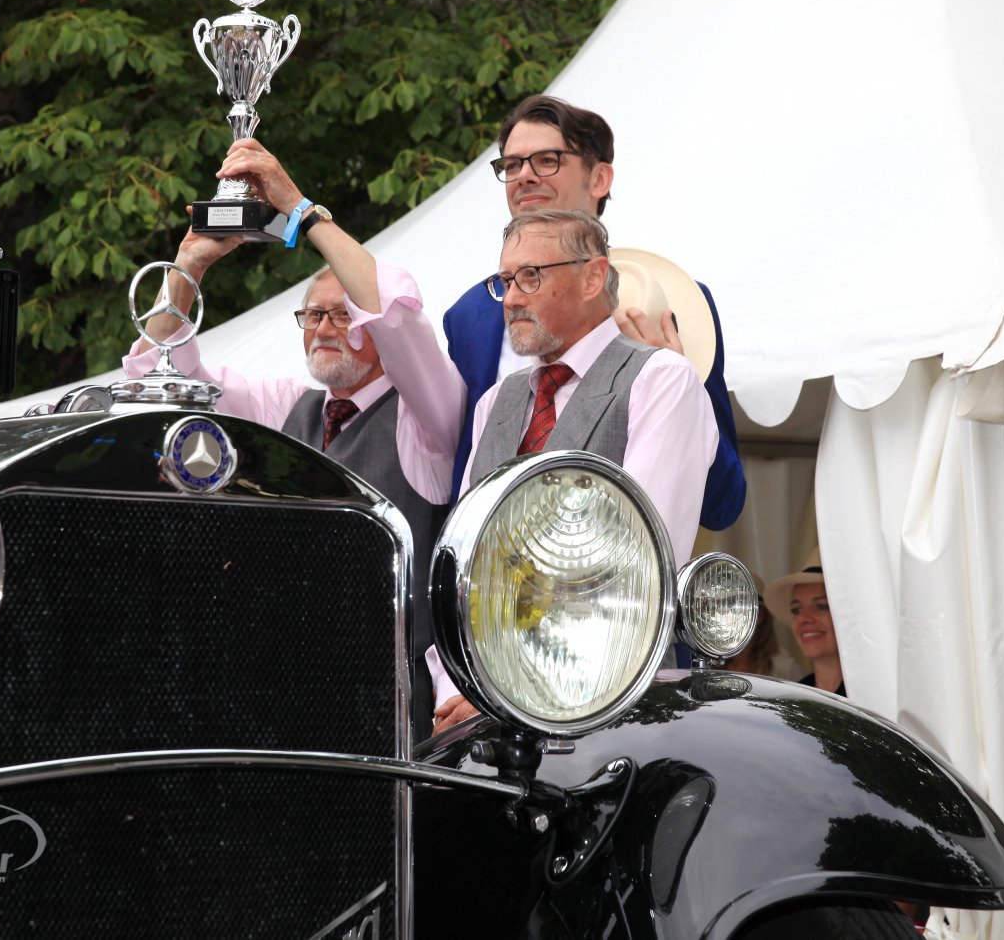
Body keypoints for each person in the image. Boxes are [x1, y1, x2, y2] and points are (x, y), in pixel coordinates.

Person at [125, 138, 466, 737]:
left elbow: (394, 311)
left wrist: (302, 211)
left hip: (390, 703)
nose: (324, 329)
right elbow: (158, 379)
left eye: (343, 314)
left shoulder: (426, 418)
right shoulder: (286, 405)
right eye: (312, 315)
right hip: (277, 692)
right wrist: (189, 264)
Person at [431, 208, 718, 731]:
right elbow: (465, 567)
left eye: (530, 276)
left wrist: (503, 699)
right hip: (484, 715)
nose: (511, 298)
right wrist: (457, 692)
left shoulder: (661, 380)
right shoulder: (494, 402)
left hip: (612, 718)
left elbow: (637, 572)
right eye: (505, 281)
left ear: (592, 277)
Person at [441, 94, 746, 531]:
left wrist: (681, 392)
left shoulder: (674, 300)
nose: (524, 175)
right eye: (512, 165)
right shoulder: (472, 315)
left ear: (599, 178)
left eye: (547, 160)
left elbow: (722, 505)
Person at [763, 558, 844, 696]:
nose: (803, 618)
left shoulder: (873, 693)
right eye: (796, 610)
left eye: (821, 606)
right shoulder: (793, 699)